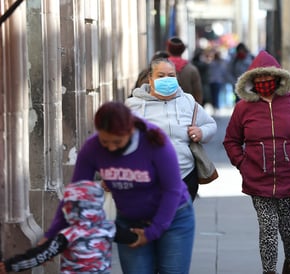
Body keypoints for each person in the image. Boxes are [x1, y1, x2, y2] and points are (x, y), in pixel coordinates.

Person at [42, 102, 195, 274]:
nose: (111, 147)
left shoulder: (155, 141)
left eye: (117, 141)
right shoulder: (92, 148)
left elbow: (172, 190)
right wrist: (52, 235)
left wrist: (153, 231)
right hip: (129, 223)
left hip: (173, 219)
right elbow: (75, 196)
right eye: (105, 141)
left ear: (130, 131)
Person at [223, 50, 290, 274]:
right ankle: (269, 271)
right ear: (251, 81)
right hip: (259, 181)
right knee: (267, 231)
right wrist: (243, 164)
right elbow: (231, 140)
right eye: (258, 78)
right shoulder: (243, 108)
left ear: (278, 78)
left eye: (267, 77)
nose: (263, 82)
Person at [125, 57, 217, 201]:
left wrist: (201, 132)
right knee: (159, 220)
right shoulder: (133, 106)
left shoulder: (187, 101)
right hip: (149, 178)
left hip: (185, 176)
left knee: (180, 220)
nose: (166, 79)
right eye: (161, 76)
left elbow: (210, 125)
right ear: (150, 78)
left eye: (171, 76)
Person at [0, 180, 138, 274]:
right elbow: (134, 237)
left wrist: (10, 265)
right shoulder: (109, 228)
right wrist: (148, 232)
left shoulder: (68, 235)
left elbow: (40, 255)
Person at [166, 36, 203, 104]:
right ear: (183, 50)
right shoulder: (192, 69)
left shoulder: (159, 69)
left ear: (168, 49)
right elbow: (198, 93)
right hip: (187, 109)